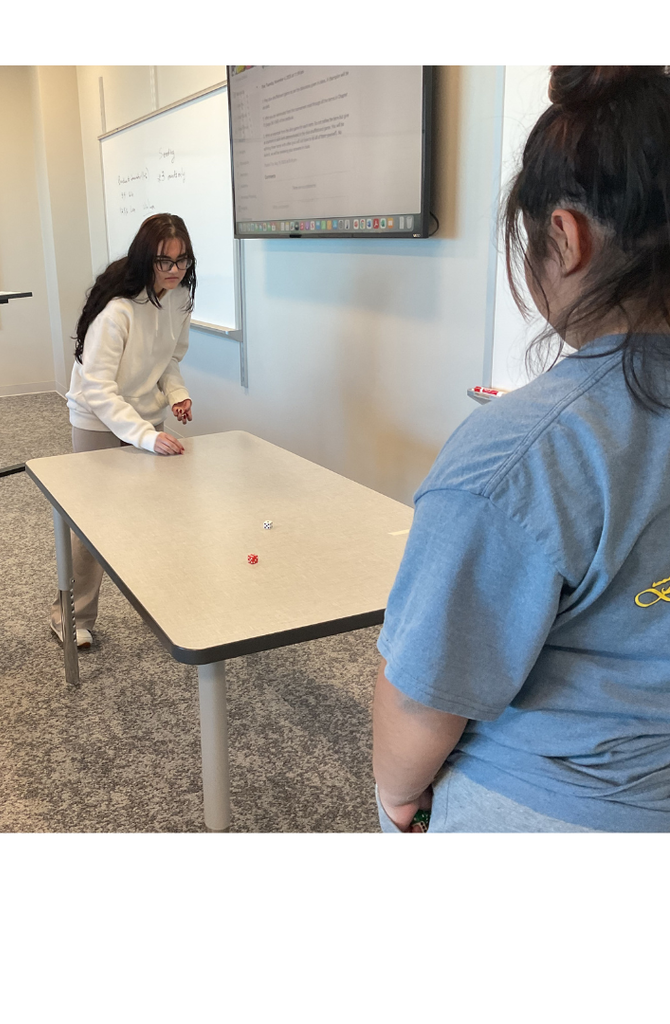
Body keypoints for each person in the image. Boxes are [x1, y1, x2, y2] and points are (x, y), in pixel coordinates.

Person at [372, 66, 670, 833]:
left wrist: (396, 795)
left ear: (563, 238)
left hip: (560, 807)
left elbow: (421, 695)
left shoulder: (518, 455)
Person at [49, 213, 196, 648]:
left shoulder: (180, 299)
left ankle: (164, 605)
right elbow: (97, 388)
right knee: (94, 522)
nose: (174, 271)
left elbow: (167, 359)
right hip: (97, 416)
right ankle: (69, 616)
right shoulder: (117, 311)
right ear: (144, 260)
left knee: (151, 513)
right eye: (163, 262)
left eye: (181, 261)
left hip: (144, 415)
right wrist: (146, 436)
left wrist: (176, 394)